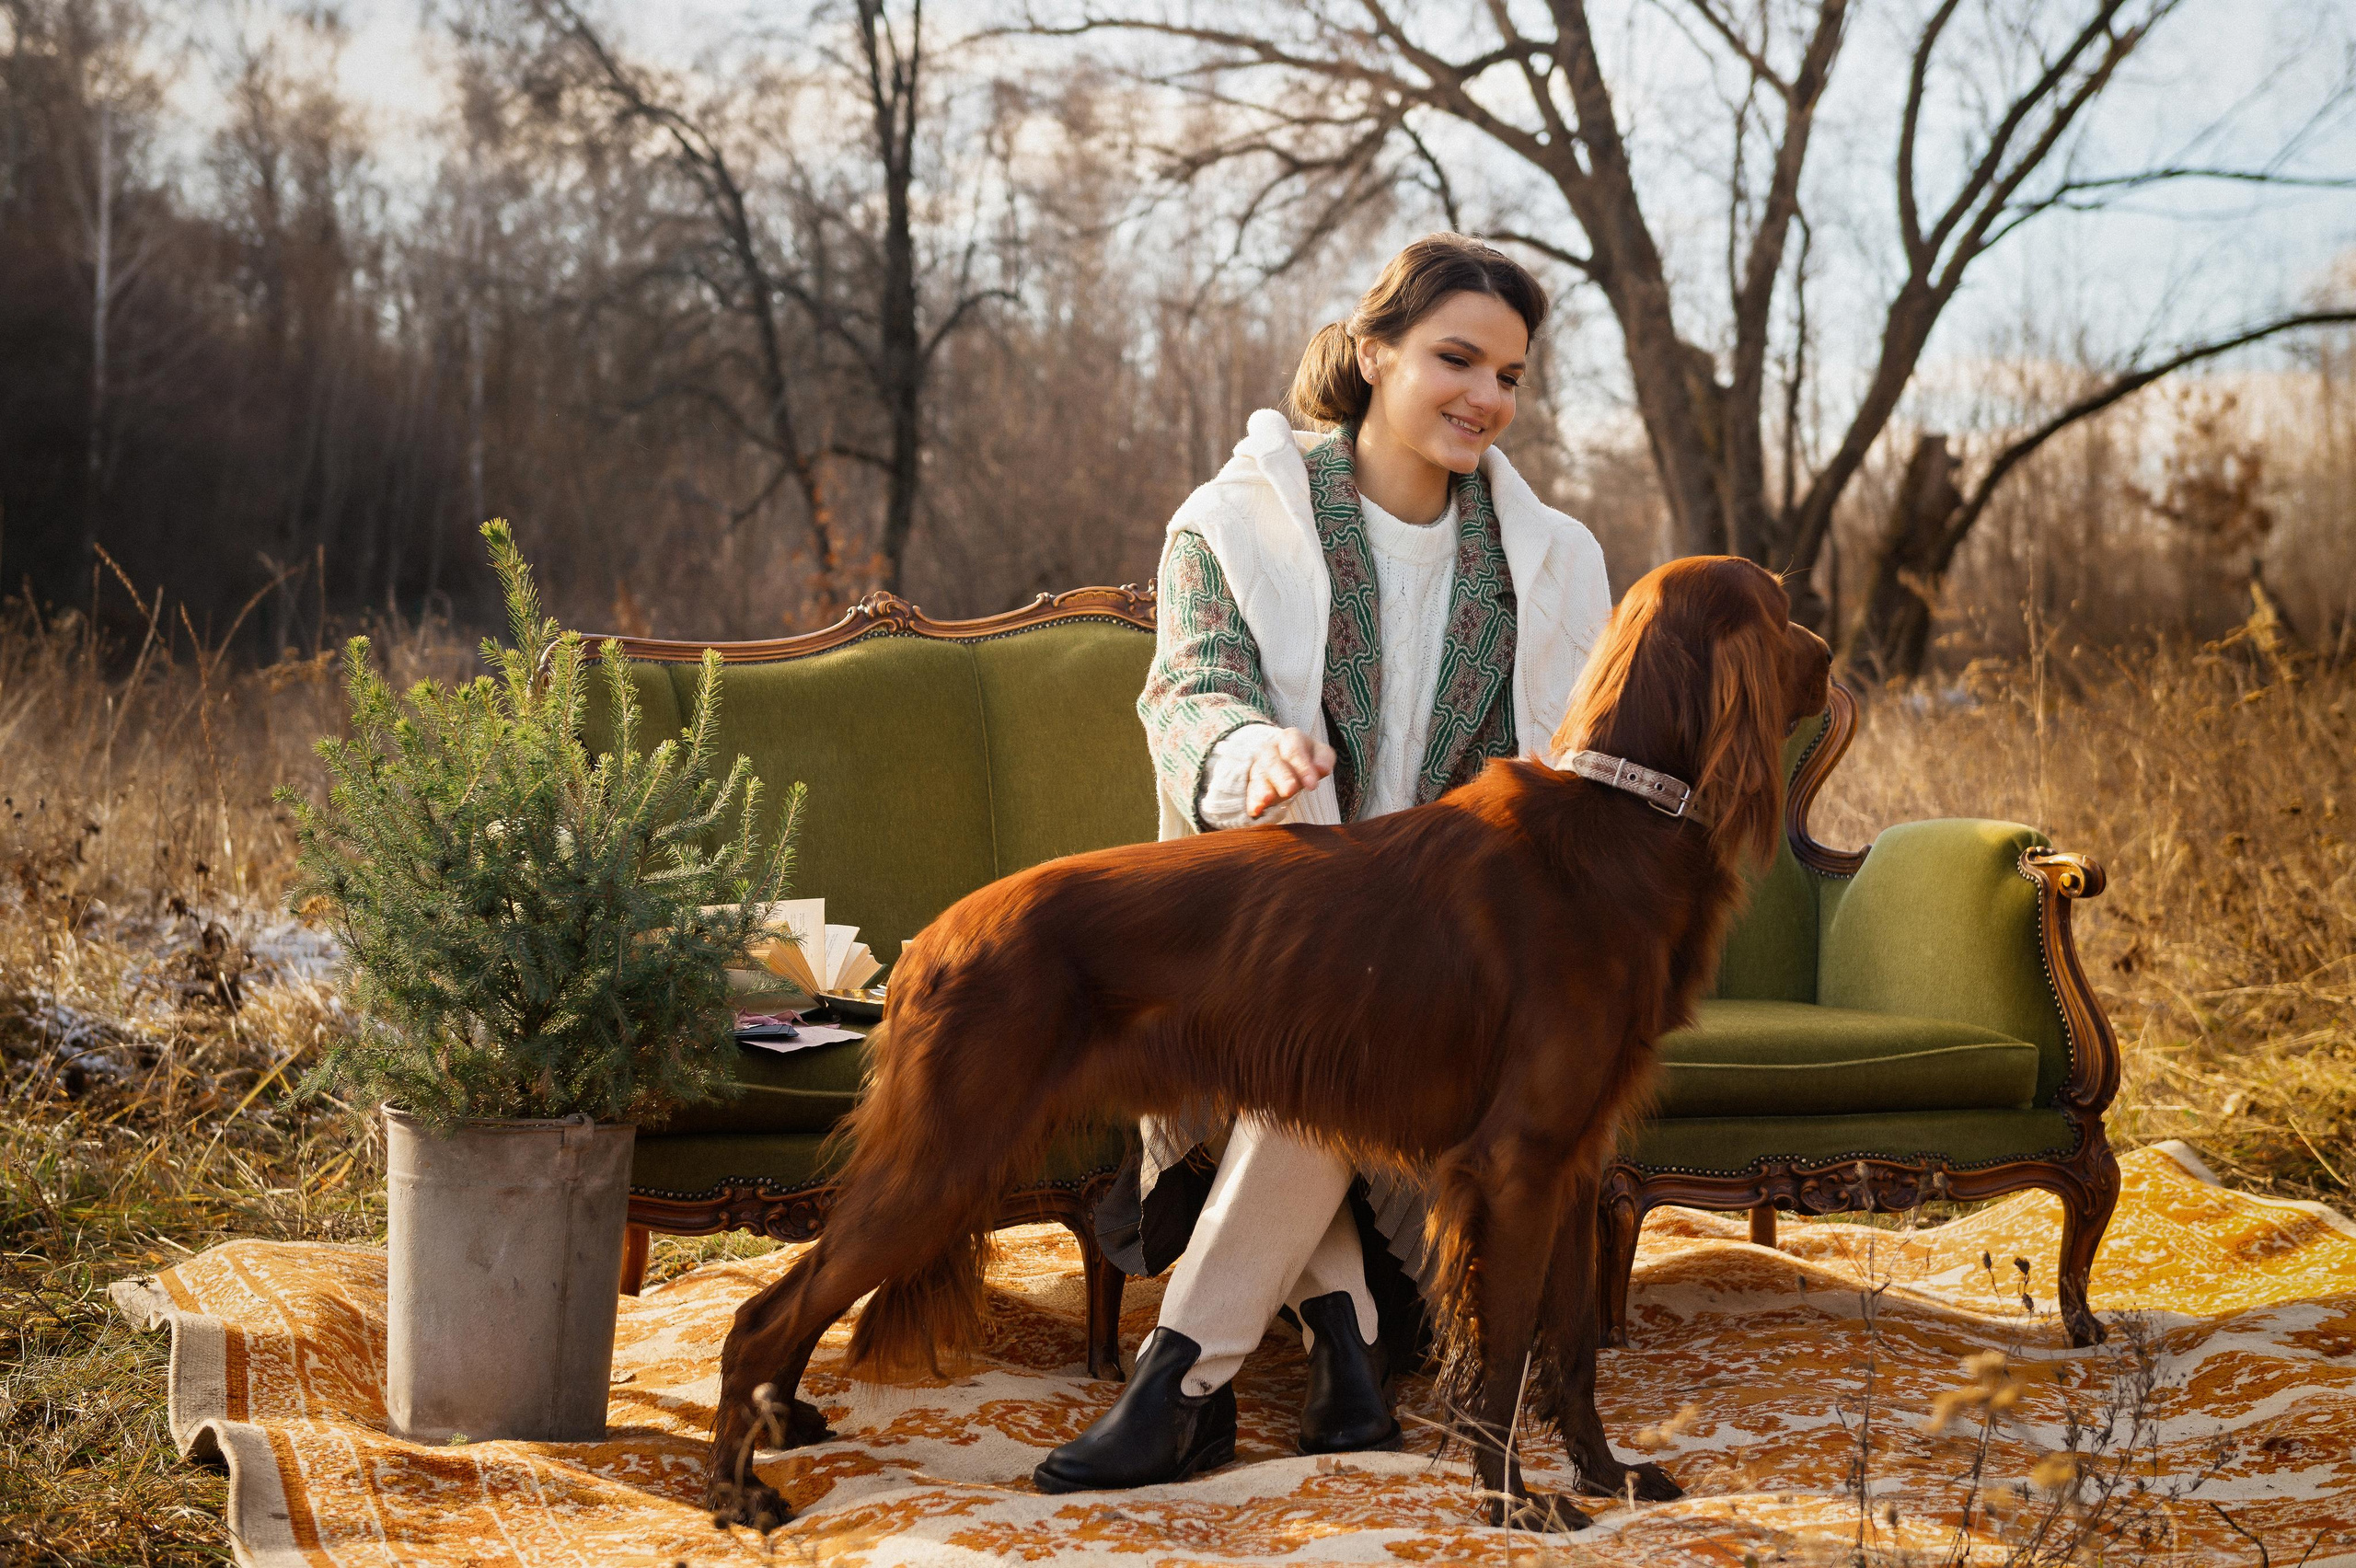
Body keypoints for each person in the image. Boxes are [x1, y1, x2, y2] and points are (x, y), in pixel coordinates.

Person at [1032, 234, 1615, 1494]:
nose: (1486, 399)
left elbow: (1568, 776)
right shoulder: (1236, 523)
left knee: (1357, 1015)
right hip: (1269, 936)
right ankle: (1340, 1342)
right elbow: (1192, 690)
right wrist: (1247, 758)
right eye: (1457, 358)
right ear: (1374, 352)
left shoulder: (1555, 564)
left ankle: (1185, 1379)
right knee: (1318, 1002)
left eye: (1510, 375)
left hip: (1458, 972)